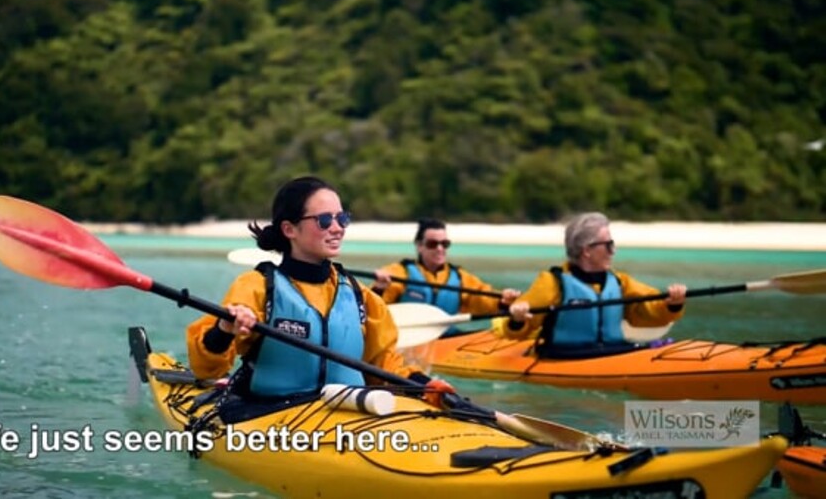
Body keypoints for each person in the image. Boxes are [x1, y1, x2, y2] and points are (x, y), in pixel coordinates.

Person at [186, 176, 454, 412]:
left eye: (342, 218)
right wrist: (224, 328)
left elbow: (383, 365)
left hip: (348, 414)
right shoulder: (256, 287)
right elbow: (206, 367)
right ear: (289, 229)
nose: (337, 228)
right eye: (325, 220)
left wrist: (425, 385)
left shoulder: (361, 297)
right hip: (269, 413)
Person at [495, 212, 687, 359]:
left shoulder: (621, 282)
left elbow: (650, 312)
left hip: (613, 352)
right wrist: (517, 320)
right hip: (565, 356)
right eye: (609, 245)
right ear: (587, 250)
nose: (614, 251)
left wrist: (672, 304)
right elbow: (517, 329)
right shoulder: (552, 283)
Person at [371, 218, 520, 334]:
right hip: (407, 337)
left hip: (447, 339)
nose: (440, 249)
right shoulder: (399, 272)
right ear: (419, 246)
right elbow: (373, 307)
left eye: (445, 244)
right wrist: (379, 288)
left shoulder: (460, 277)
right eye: (432, 244)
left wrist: (503, 301)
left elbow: (483, 299)